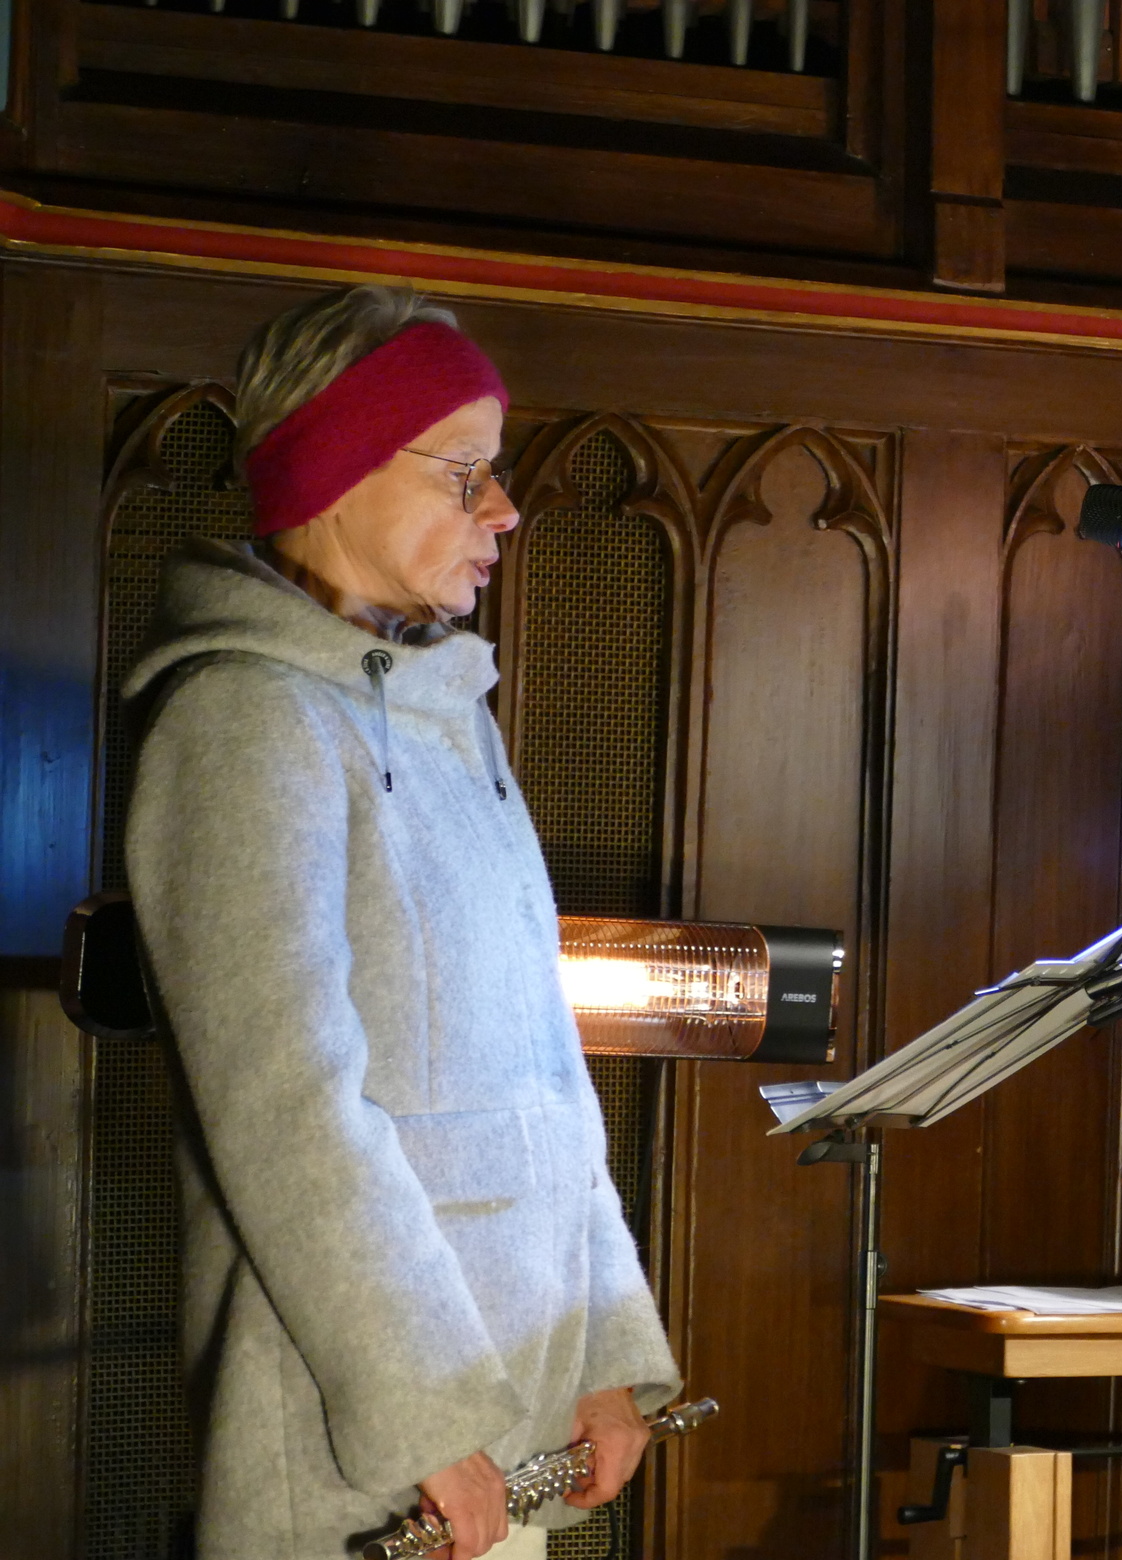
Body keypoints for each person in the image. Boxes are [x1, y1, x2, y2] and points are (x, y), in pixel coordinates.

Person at [124, 286, 681, 1560]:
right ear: (338, 467)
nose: (506, 510)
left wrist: (603, 1353)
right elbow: (285, 1107)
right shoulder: (244, 718)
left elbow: (548, 1076)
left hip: (514, 1407)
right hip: (371, 1437)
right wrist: (423, 1414)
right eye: (466, 473)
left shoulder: (450, 718)